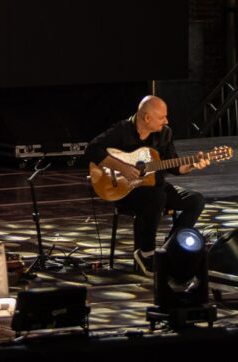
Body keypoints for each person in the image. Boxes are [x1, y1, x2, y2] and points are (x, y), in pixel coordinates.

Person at [87, 96, 209, 276]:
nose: (166, 121)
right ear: (146, 118)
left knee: (195, 200)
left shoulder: (165, 133)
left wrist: (191, 164)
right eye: (162, 117)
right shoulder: (122, 130)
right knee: (156, 197)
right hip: (125, 191)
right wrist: (123, 168)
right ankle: (146, 253)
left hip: (156, 187)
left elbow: (174, 165)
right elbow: (92, 149)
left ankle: (170, 247)